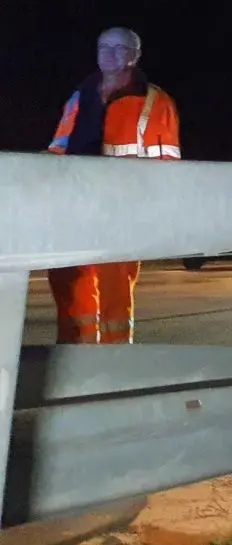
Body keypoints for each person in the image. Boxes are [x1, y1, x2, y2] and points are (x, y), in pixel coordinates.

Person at [46, 27, 181, 344]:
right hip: (74, 209)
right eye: (103, 47)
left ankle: (114, 365)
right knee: (70, 294)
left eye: (119, 48)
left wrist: (153, 213)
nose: (109, 53)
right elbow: (59, 147)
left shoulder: (155, 101)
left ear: (134, 56)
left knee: (115, 299)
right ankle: (73, 362)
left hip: (122, 215)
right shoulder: (81, 94)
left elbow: (168, 166)